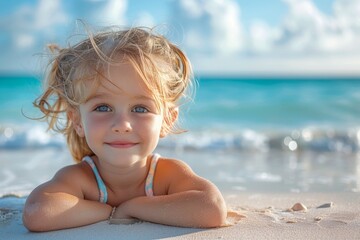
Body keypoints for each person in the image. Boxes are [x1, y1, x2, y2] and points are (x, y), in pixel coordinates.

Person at [22, 26, 227, 232]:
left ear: (167, 120)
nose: (122, 125)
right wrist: (111, 211)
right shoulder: (83, 178)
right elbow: (38, 212)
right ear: (77, 121)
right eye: (102, 107)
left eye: (140, 108)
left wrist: (133, 207)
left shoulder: (165, 174)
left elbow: (212, 208)